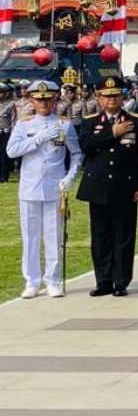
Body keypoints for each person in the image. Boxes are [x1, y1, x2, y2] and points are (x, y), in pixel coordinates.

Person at [6, 81, 81, 298]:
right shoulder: (23, 124)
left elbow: (76, 154)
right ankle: (32, 280)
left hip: (54, 186)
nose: (43, 103)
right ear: (31, 100)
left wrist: (70, 176)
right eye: (39, 99)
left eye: (47, 98)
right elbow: (11, 151)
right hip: (29, 187)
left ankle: (53, 279)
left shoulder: (64, 124)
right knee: (30, 236)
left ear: (54, 99)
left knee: (53, 235)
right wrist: (38, 139)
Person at [77, 77, 138, 297]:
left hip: (125, 186)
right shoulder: (90, 121)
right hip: (98, 187)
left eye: (116, 95)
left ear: (122, 97)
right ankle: (103, 280)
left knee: (124, 236)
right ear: (99, 98)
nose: (112, 100)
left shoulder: (136, 121)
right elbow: (86, 146)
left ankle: (121, 281)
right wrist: (112, 133)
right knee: (101, 236)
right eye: (107, 96)